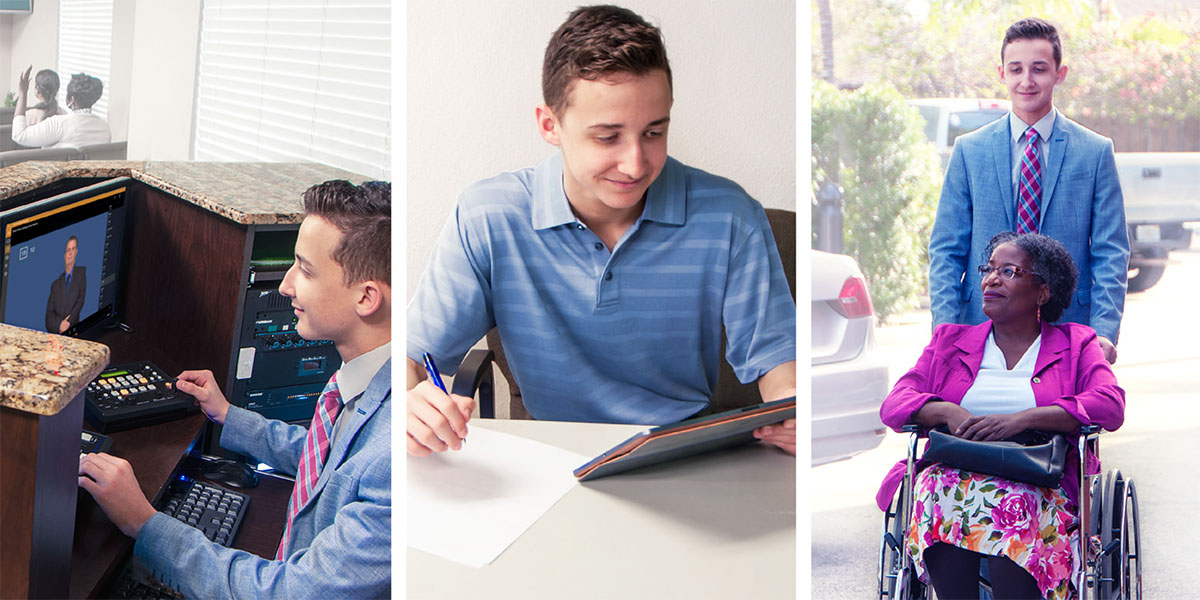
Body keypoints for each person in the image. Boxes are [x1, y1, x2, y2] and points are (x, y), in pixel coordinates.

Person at [406, 5, 796, 456]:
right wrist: (412, 404)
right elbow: (412, 360)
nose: (635, 164)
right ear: (549, 124)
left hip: (684, 452)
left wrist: (792, 414)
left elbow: (777, 364)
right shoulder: (488, 215)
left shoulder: (731, 215)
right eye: (608, 137)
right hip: (549, 457)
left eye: (653, 133)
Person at [78, 180, 391, 598]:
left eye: (306, 269)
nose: (285, 286)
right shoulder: (361, 379)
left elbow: (287, 594)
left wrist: (144, 522)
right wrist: (227, 415)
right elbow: (328, 462)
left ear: (367, 297)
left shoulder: (390, 456)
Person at [877, 232, 1125, 600]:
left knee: (1016, 500)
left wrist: (1024, 419)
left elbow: (1109, 403)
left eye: (1009, 271)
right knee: (933, 490)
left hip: (1038, 480)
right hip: (954, 474)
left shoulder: (1077, 343)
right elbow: (895, 404)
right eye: (989, 269)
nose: (991, 279)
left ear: (1043, 291)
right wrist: (947, 410)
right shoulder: (949, 341)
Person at [928, 17, 1128, 365]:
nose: (1027, 80)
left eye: (1039, 69)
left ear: (1059, 73)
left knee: (1059, 419)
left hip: (1068, 328)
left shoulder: (1095, 152)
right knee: (981, 419)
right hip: (979, 327)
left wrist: (1104, 332)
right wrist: (944, 330)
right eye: (1016, 69)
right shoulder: (969, 150)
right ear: (1002, 73)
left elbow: (1111, 253)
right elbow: (946, 250)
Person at [11, 68, 111, 148]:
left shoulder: (59, 123)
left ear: (71, 99)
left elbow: (19, 135)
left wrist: (22, 94)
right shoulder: (105, 128)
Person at [45, 235, 86, 333]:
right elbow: (48, 316)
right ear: (64, 255)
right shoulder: (55, 285)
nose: (70, 253)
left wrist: (68, 323)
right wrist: (60, 324)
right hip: (57, 336)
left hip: (75, 333)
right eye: (68, 250)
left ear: (76, 251)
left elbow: (80, 300)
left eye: (73, 249)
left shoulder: (81, 273)